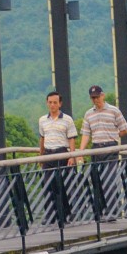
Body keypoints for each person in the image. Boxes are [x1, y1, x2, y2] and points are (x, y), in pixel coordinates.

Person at [81, 83, 127, 219]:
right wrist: (81, 151)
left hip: (110, 147)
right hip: (96, 148)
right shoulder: (89, 114)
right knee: (96, 180)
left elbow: (125, 129)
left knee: (109, 180)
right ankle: (100, 211)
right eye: (93, 98)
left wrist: (114, 136)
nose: (95, 100)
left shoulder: (114, 110)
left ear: (102, 95)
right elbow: (86, 134)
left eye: (97, 97)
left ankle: (112, 211)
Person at [37, 90, 77, 225]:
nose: (52, 105)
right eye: (50, 102)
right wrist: (40, 155)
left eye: (55, 102)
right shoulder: (42, 120)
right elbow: (42, 138)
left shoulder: (67, 119)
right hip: (48, 154)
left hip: (62, 153)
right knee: (48, 185)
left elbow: (71, 139)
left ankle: (65, 214)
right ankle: (50, 215)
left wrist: (72, 156)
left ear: (60, 104)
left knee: (62, 185)